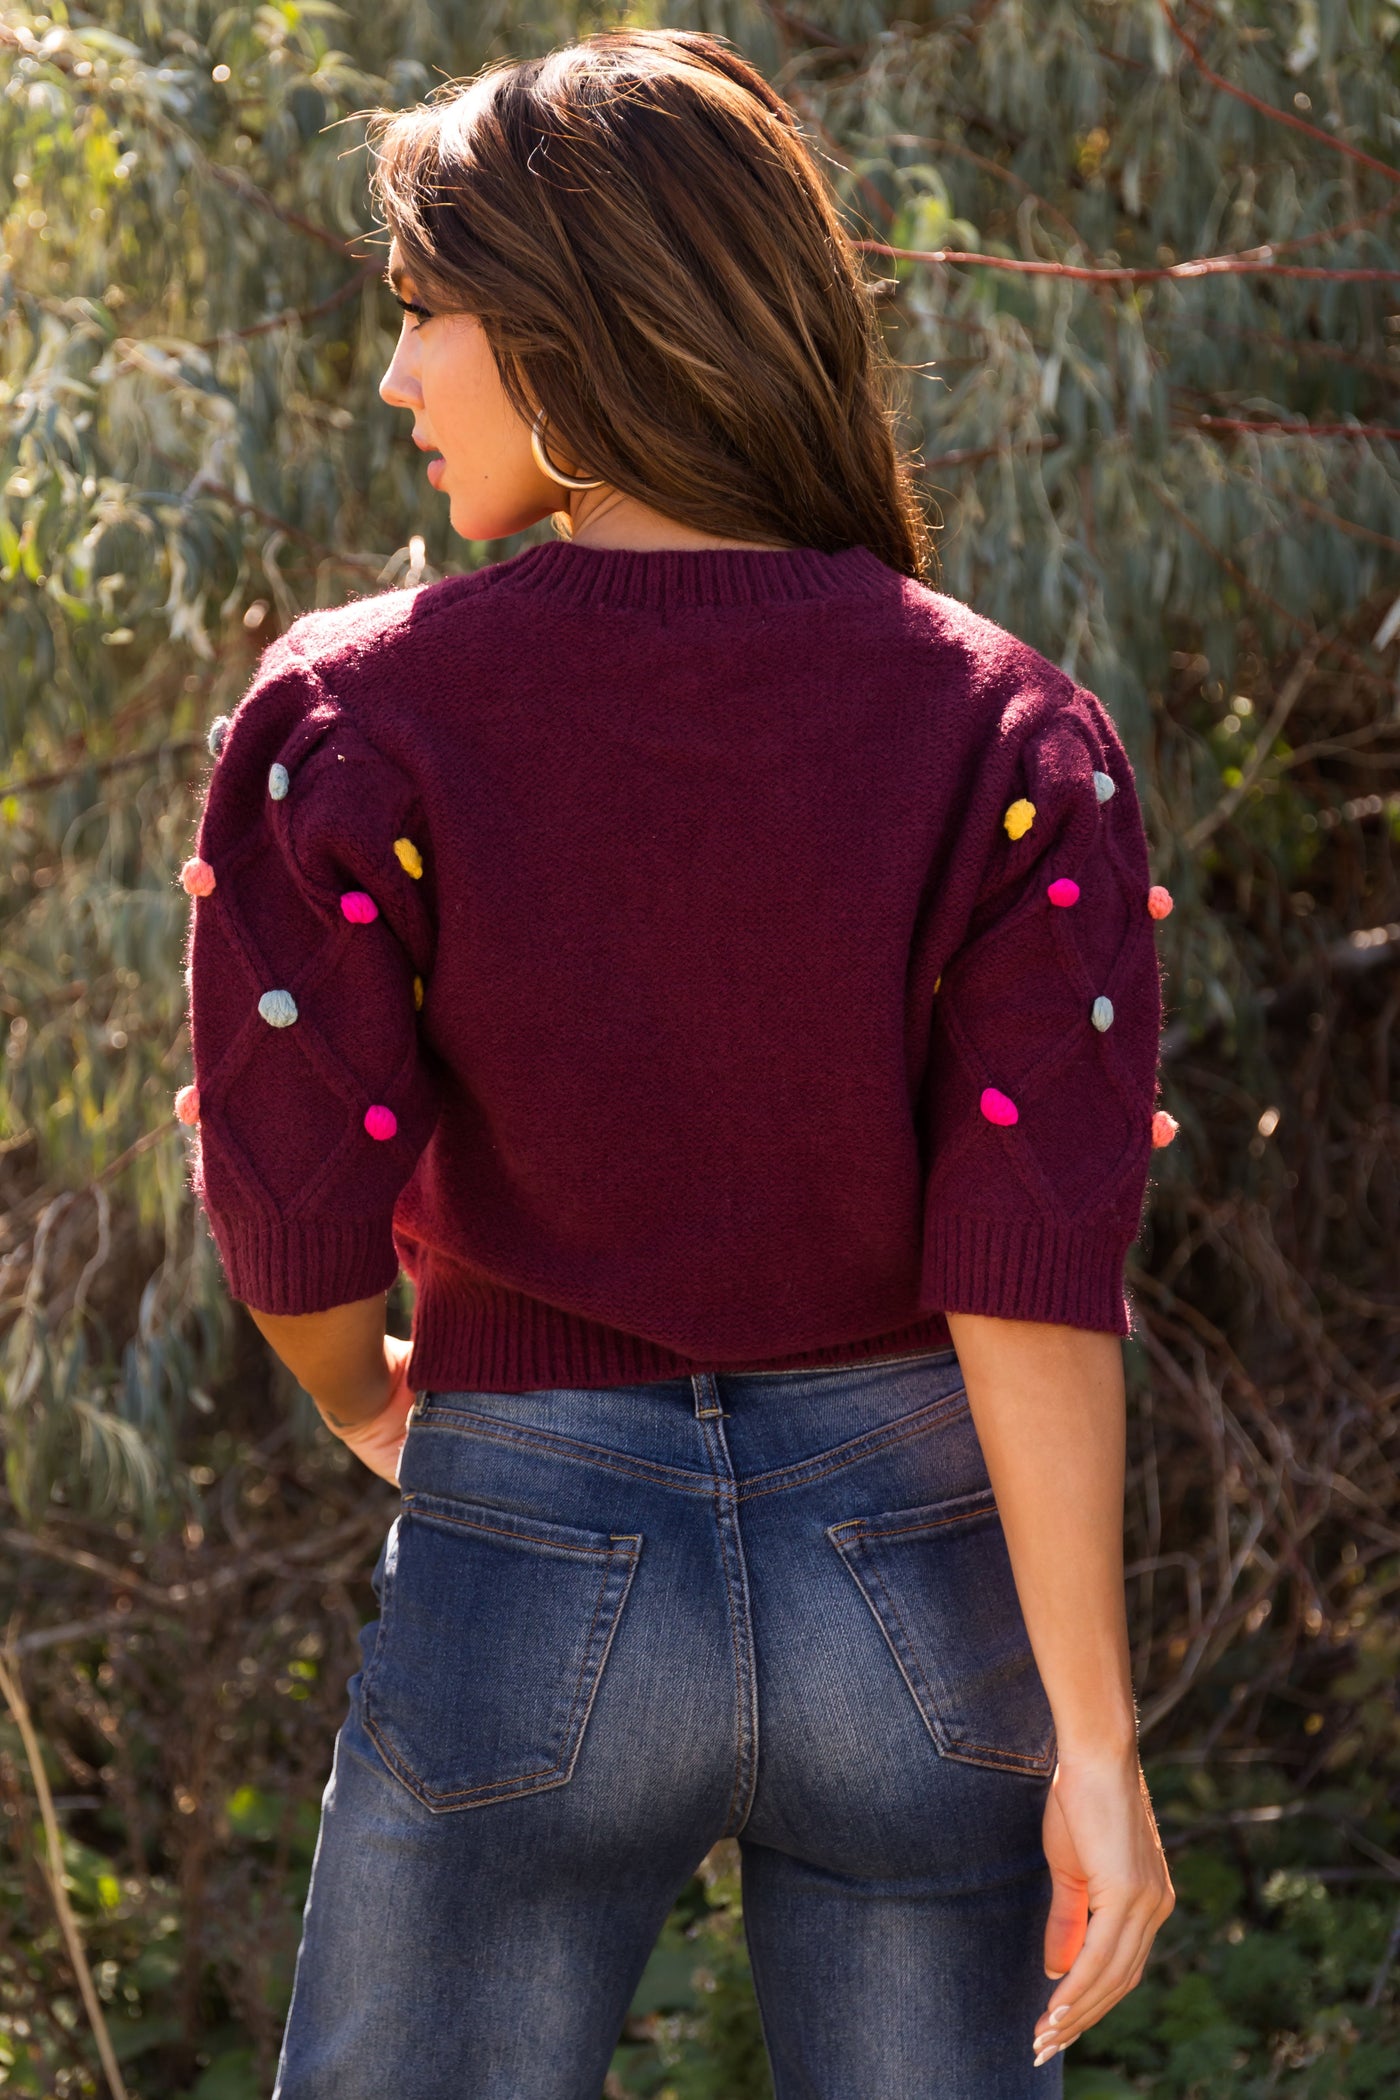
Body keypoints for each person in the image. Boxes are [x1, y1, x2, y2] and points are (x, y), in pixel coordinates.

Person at [180, 28, 1175, 2100]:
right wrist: (1094, 1743)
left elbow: (293, 1210)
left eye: (426, 314)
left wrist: (365, 1398)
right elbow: (1027, 1270)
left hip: (527, 1559)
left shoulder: (357, 716)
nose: (396, 378)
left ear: (577, 330)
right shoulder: (1013, 733)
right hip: (919, 1590)